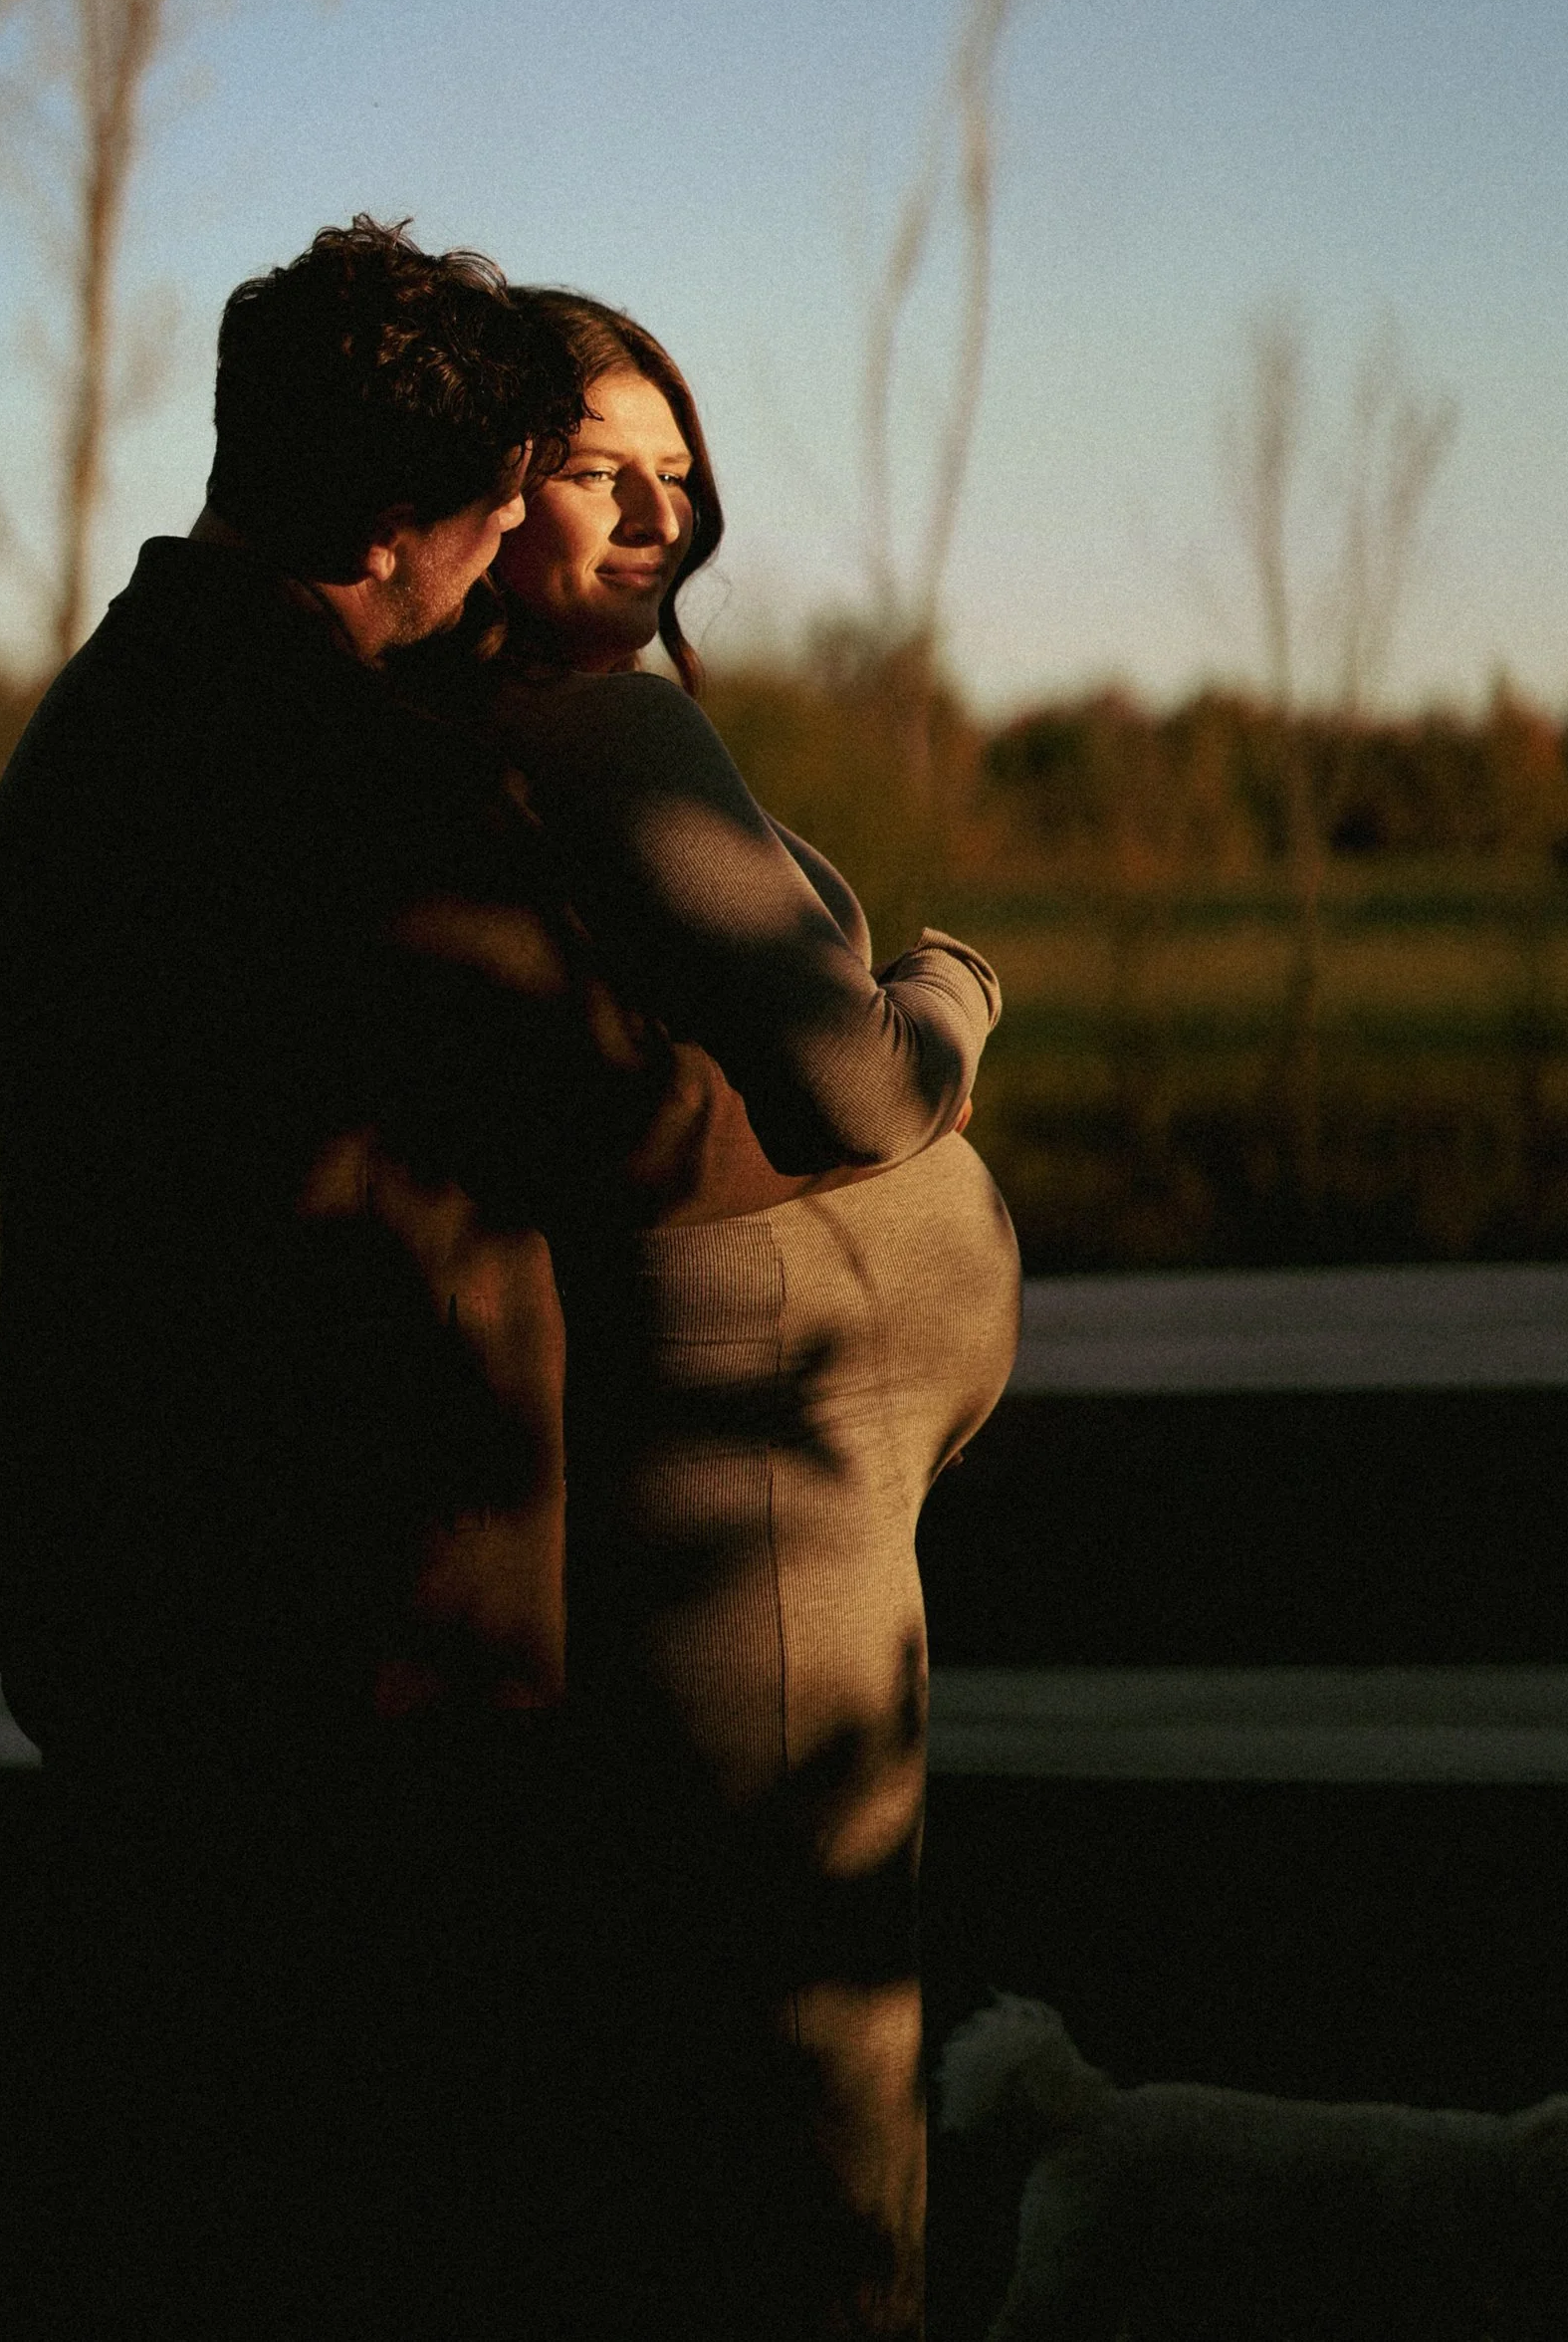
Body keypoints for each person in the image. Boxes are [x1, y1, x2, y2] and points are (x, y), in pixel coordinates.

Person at [0, 218, 655, 2339]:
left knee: (175, 2219)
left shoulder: (83, 738)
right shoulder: (365, 784)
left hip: (123, 1619)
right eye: (470, 536)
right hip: (364, 1670)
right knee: (385, 2226)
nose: (478, 578)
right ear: (388, 533)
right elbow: (621, 1117)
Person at [482, 289, 1025, 2342]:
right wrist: (959, 988)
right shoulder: (599, 722)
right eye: (593, 469)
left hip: (801, 1438)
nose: (652, 513)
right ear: (489, 492)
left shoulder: (565, 720)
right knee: (817, 2062)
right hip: (763, 1448)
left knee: (740, 2037)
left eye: (674, 472)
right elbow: (854, 1083)